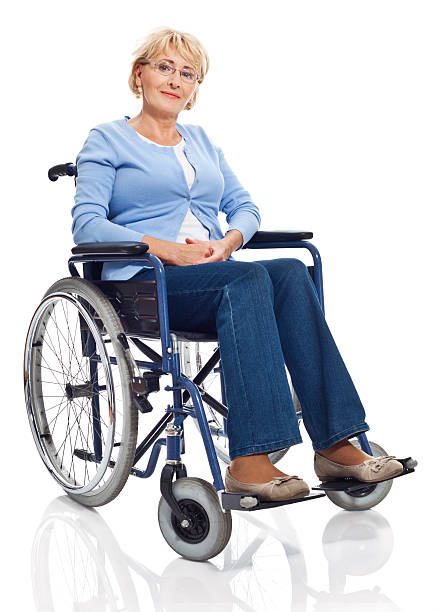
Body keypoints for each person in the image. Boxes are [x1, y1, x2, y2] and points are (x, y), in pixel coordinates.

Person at [72, 27, 403, 502]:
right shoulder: (107, 139)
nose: (176, 80)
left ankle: (334, 442)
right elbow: (87, 225)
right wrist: (167, 248)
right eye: (165, 67)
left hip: (216, 274)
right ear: (138, 75)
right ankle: (250, 461)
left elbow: (245, 206)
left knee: (289, 270)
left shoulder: (202, 142)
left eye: (188, 74)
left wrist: (228, 241)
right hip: (146, 283)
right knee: (247, 278)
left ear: (194, 90)